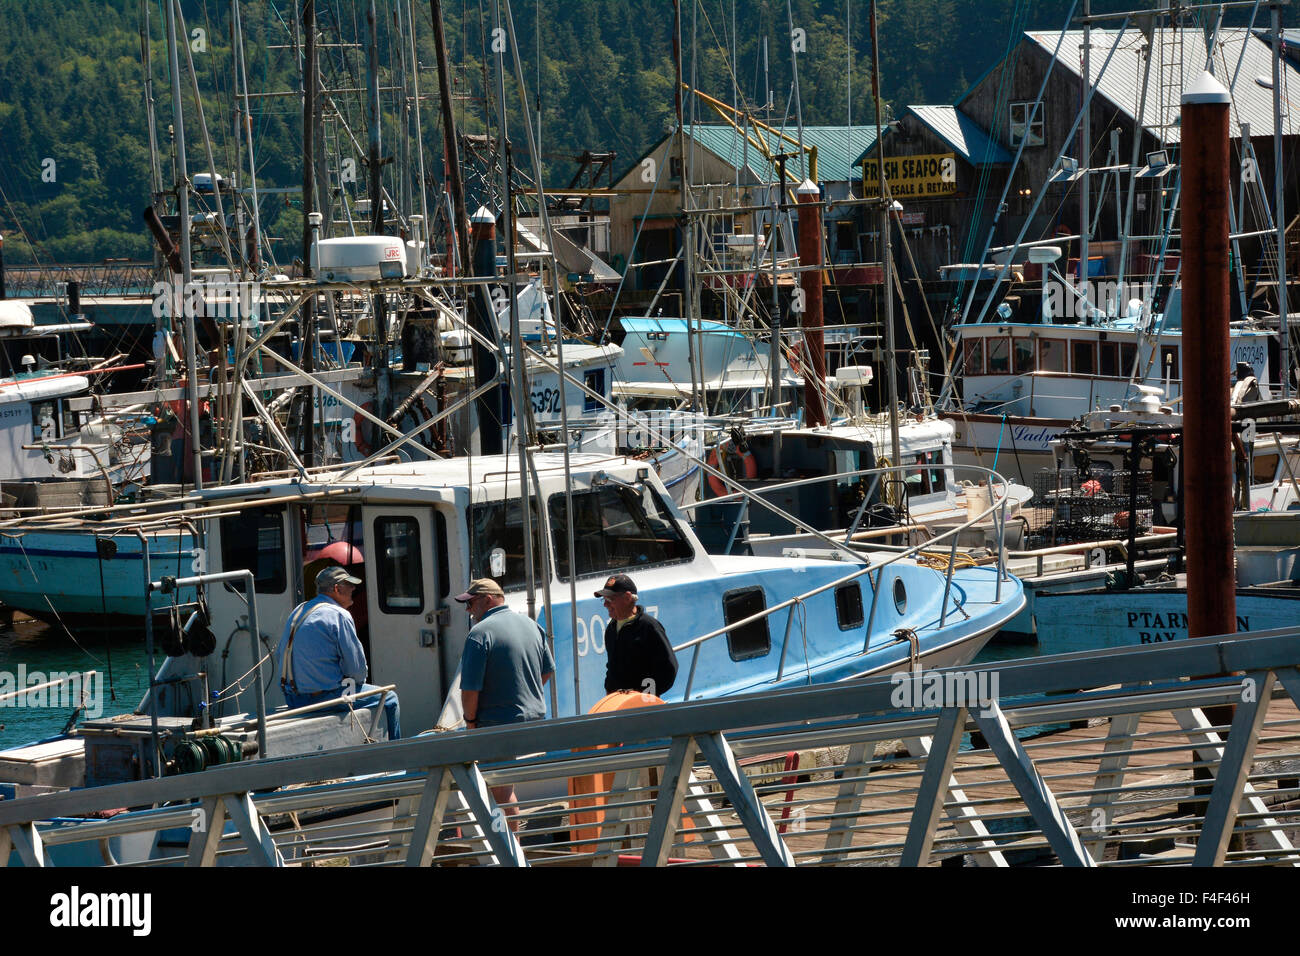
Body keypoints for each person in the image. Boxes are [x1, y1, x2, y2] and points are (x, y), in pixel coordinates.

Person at [456, 578, 554, 831]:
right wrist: (522, 695)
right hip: (532, 720)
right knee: (502, 786)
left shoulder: (479, 634)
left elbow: (470, 690)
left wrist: (470, 723)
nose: (468, 610)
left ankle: (512, 852)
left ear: (488, 600)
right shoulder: (531, 625)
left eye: (471, 603)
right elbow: (547, 670)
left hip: (497, 723)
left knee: (500, 790)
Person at [276, 565, 401, 740]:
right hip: (321, 699)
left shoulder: (299, 611)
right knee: (389, 698)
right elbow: (357, 671)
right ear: (337, 589)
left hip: (292, 698)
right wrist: (348, 682)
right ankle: (397, 757)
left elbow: (280, 655)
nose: (353, 588)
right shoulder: (338, 614)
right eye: (349, 584)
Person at [595, 574, 677, 699]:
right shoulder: (611, 629)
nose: (605, 604)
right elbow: (612, 667)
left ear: (628, 598)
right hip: (618, 704)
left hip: (644, 706)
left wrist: (646, 696)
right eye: (604, 600)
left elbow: (669, 668)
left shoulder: (649, 627)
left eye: (609, 599)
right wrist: (609, 693)